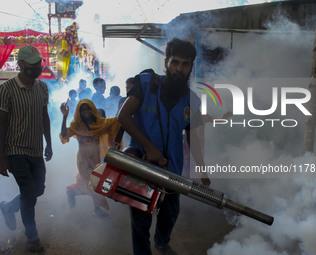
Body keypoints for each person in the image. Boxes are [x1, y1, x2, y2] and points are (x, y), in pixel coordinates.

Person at [118, 38, 210, 255]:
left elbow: (192, 137)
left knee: (170, 212)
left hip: (172, 168)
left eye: (185, 64)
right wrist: (150, 149)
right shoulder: (146, 83)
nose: (179, 68)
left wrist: (202, 168)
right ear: (166, 63)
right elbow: (123, 116)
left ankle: (162, 242)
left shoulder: (192, 99)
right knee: (141, 216)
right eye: (175, 62)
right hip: (142, 164)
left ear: (191, 67)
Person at [0, 45, 53, 252]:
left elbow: (44, 116)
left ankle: (8, 207)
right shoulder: (6, 89)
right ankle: (32, 237)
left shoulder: (42, 87)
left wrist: (48, 143)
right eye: (32, 63)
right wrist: (1, 157)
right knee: (29, 192)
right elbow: (1, 124)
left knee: (38, 189)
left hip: (35, 149)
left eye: (38, 62)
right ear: (21, 64)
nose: (37, 66)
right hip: (15, 150)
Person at [60, 99, 121, 217]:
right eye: (82, 110)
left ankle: (72, 191)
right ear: (79, 112)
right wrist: (64, 117)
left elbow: (116, 121)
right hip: (83, 160)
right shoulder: (76, 125)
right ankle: (97, 210)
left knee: (92, 184)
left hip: (95, 160)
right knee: (94, 183)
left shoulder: (99, 124)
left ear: (92, 110)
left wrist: (122, 109)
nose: (86, 112)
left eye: (88, 109)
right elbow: (64, 135)